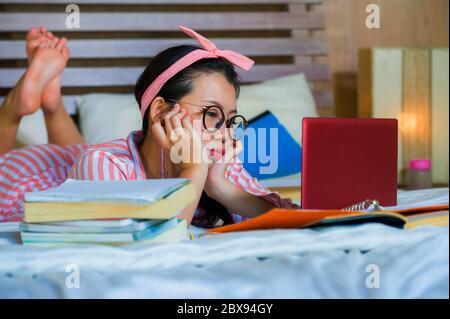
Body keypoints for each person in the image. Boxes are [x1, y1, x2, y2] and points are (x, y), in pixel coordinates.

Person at [0, 26, 297, 226]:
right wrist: (193, 171)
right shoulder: (104, 164)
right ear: (160, 112)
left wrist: (221, 186)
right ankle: (15, 108)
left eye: (230, 120)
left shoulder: (216, 163)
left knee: (76, 152)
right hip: (33, 174)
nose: (224, 133)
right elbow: (152, 239)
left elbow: (287, 220)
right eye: (211, 114)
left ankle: (52, 104)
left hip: (79, 160)